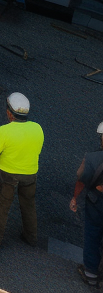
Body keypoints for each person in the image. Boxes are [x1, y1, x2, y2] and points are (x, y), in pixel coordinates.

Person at [0, 92, 44, 249]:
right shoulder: (37, 128)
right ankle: (30, 237)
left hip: (7, 175)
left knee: (2, 206)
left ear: (9, 113)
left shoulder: (4, 131)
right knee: (28, 205)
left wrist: (1, 156)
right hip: (30, 174)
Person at [70, 122, 103, 285]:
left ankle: (91, 273)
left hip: (96, 202)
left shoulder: (92, 158)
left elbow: (81, 179)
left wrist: (75, 198)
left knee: (93, 235)